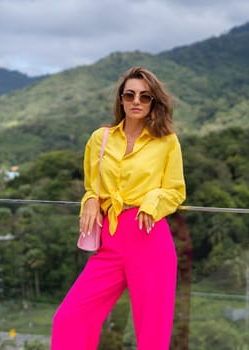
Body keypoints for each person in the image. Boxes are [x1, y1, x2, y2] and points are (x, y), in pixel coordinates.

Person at [51, 66, 186, 350]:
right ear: (121, 100)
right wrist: (89, 202)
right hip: (110, 243)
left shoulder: (166, 141)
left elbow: (175, 191)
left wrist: (152, 202)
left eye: (145, 97)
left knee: (152, 337)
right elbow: (93, 187)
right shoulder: (100, 139)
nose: (136, 101)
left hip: (149, 238)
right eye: (130, 94)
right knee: (69, 319)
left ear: (153, 103)